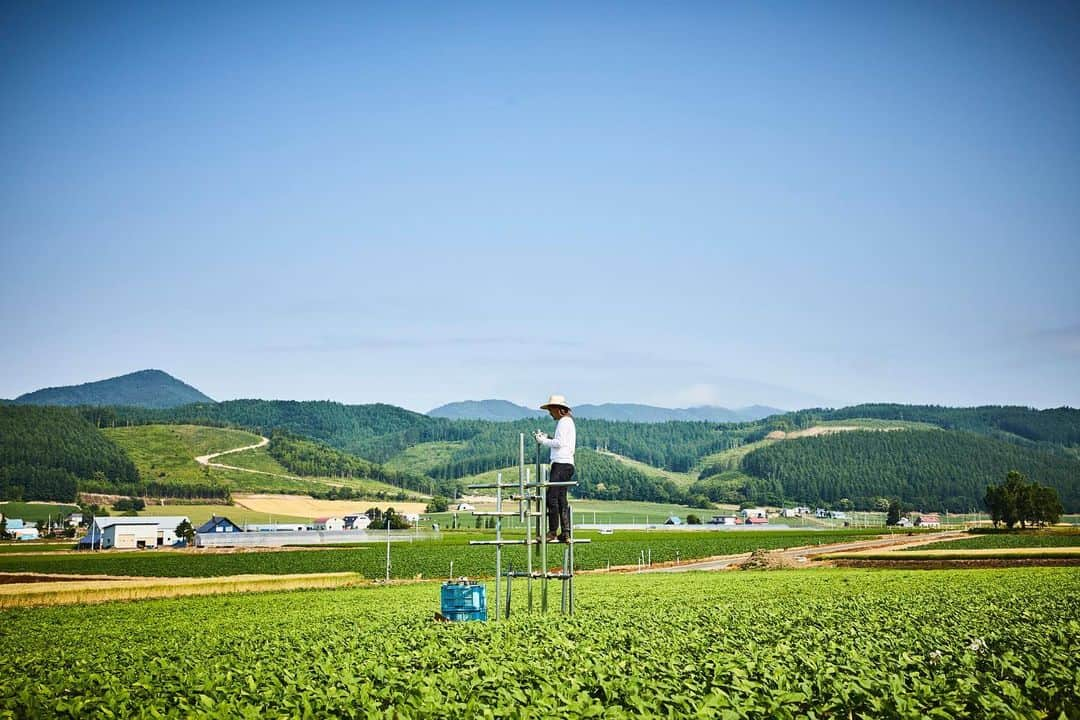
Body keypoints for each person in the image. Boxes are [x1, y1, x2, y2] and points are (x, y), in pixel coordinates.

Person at [533, 394, 576, 543]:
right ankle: (565, 532)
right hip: (568, 464)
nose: (550, 413)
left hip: (560, 464)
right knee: (561, 499)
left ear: (558, 409)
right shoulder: (569, 422)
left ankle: (552, 532)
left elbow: (559, 443)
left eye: (551, 410)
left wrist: (543, 440)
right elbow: (561, 441)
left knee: (551, 498)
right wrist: (548, 438)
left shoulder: (563, 422)